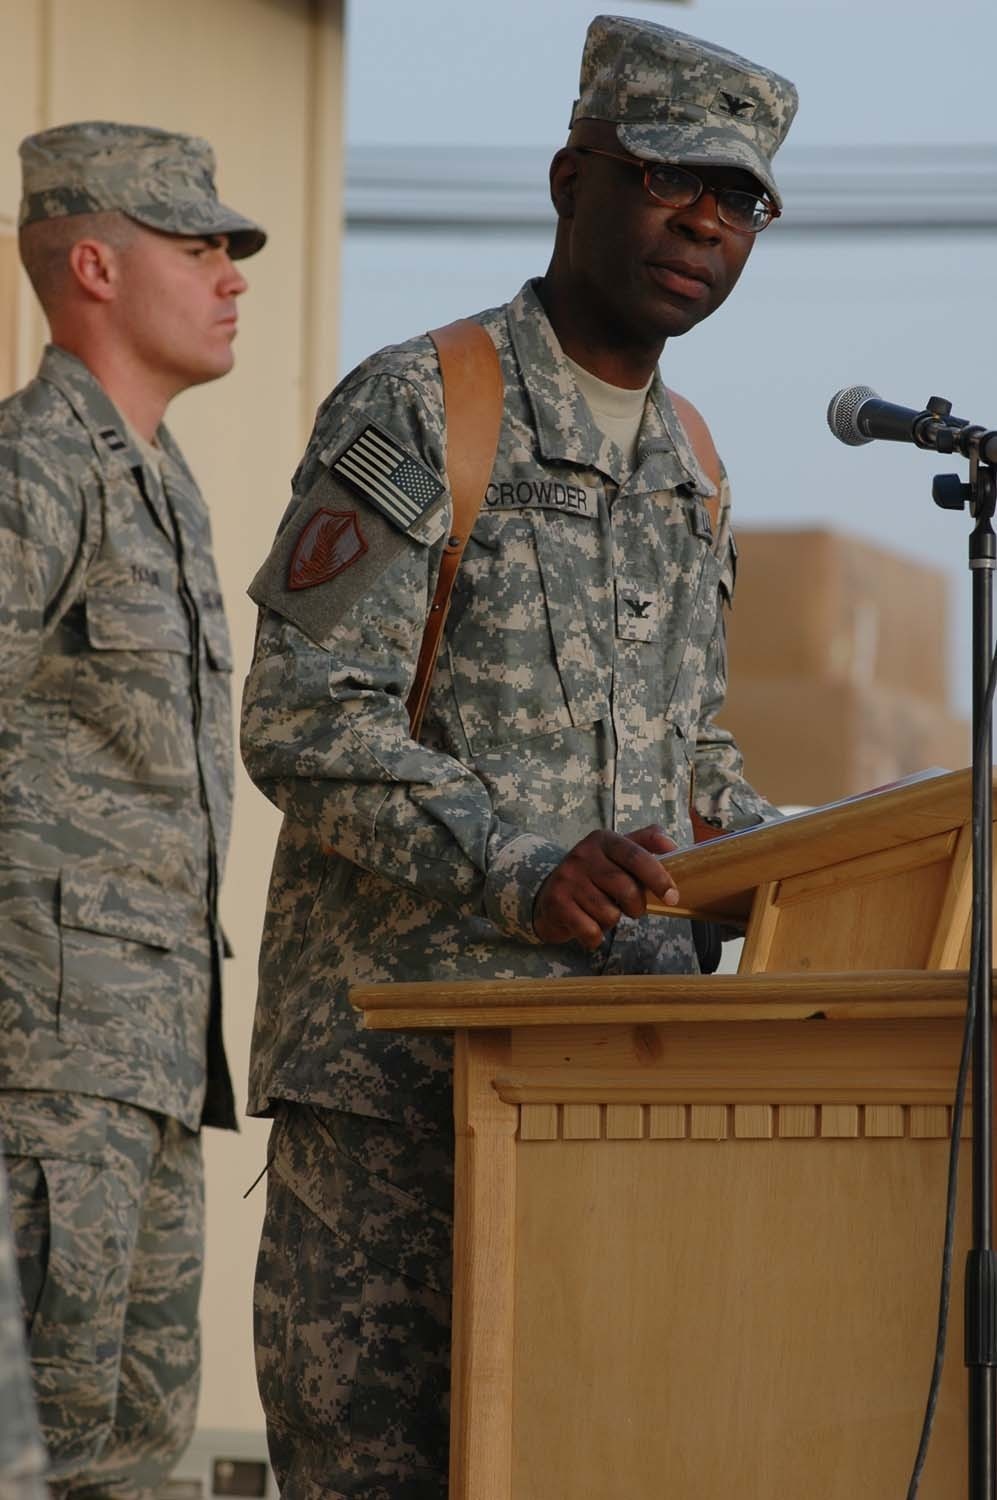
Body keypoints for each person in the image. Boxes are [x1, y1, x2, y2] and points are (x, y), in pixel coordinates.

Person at [241, 15, 797, 1498]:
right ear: (573, 178)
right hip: (399, 1106)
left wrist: (796, 864)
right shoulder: (423, 406)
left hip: (612, 1100)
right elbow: (302, 714)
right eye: (668, 175)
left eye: (738, 198)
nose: (703, 221)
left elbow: (697, 763)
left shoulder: (691, 464)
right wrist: (520, 866)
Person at [0, 122, 265, 1498]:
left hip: (146, 1070)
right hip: (44, 1078)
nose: (232, 275)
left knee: (125, 1462)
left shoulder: (161, 486)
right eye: (198, 244)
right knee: (33, 1456)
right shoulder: (33, 466)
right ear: (93, 264)